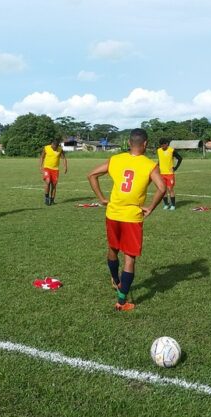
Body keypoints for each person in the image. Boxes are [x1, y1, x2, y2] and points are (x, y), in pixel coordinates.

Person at [87, 128, 166, 311]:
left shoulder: (116, 159)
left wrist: (101, 198)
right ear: (145, 144)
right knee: (129, 259)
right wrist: (151, 208)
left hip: (112, 213)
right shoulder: (149, 165)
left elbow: (91, 175)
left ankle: (115, 280)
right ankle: (122, 301)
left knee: (112, 249)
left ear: (129, 143)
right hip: (132, 217)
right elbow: (161, 188)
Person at [156, 138, 182, 210]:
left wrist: (175, 167)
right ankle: (166, 204)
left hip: (170, 174)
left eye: (163, 145)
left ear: (167, 144)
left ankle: (173, 205)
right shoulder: (158, 151)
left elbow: (180, 158)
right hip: (161, 174)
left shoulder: (171, 150)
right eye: (161, 145)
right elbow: (160, 160)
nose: (162, 146)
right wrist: (157, 167)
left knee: (170, 189)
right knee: (163, 190)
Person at [39, 138, 68, 205]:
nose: (54, 148)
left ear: (57, 146)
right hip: (47, 168)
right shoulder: (46, 148)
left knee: (54, 185)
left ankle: (52, 200)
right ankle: (46, 198)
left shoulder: (60, 150)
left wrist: (65, 167)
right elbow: (42, 157)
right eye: (53, 146)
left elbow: (64, 158)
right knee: (48, 181)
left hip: (55, 169)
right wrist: (40, 166)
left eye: (55, 147)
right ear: (51, 144)